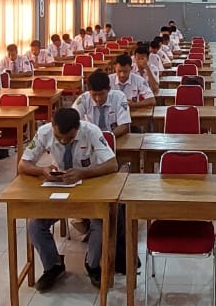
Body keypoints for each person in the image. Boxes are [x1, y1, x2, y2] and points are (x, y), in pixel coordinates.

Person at [19, 108, 118, 291]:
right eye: (59, 138)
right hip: (59, 186)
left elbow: (112, 164)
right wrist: (42, 171)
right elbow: (23, 164)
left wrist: (83, 173)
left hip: (90, 187)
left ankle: (93, 265)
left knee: (102, 222)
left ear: (78, 128)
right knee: (35, 225)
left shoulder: (91, 131)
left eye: (69, 138)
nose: (64, 141)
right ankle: (53, 266)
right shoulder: (44, 132)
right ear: (52, 125)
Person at [74, 71, 132, 137]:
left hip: (115, 137)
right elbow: (72, 121)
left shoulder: (119, 97)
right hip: (91, 138)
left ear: (109, 89)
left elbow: (124, 125)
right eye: (94, 94)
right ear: (89, 91)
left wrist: (105, 138)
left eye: (101, 94)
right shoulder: (83, 99)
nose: (98, 98)